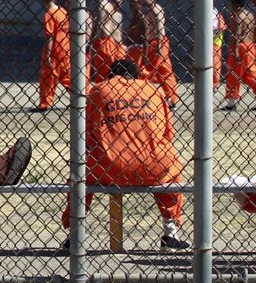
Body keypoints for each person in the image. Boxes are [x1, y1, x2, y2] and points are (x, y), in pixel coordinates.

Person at [59, 59, 189, 253]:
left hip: (107, 167)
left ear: (110, 77)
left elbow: (84, 134)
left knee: (79, 173)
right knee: (172, 167)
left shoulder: (98, 90)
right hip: (151, 167)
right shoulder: (153, 90)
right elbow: (168, 134)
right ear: (136, 77)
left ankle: (75, 235)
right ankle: (170, 233)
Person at [132, 0, 178, 106]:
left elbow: (160, 30)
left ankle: (142, 94)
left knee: (149, 69)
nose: (140, 1)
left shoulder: (156, 10)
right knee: (162, 70)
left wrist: (158, 47)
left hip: (157, 43)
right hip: (154, 43)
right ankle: (170, 97)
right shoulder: (150, 10)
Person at [37, 0, 70, 110]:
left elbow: (50, 37)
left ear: (44, 1)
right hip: (65, 48)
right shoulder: (63, 11)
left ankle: (45, 103)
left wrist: (49, 55)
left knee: (47, 78)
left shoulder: (49, 14)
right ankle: (80, 98)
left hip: (55, 50)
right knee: (67, 77)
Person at [224, 0, 256, 111]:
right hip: (250, 44)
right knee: (251, 72)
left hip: (239, 46)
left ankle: (232, 102)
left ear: (235, 4)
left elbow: (236, 34)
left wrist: (236, 50)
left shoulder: (237, 15)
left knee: (233, 74)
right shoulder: (250, 15)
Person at [90, 0, 127, 85]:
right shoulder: (109, 5)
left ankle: (101, 89)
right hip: (110, 40)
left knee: (102, 68)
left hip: (104, 40)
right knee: (110, 67)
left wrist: (93, 39)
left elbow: (101, 25)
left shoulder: (102, 5)